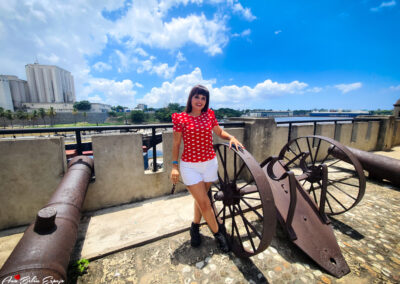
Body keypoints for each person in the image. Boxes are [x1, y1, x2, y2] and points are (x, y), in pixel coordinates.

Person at [170, 85, 244, 253]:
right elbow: (176, 144)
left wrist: (231, 137)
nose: (200, 101)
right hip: (190, 166)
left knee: (201, 200)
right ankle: (219, 235)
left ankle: (195, 226)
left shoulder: (209, 115)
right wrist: (174, 167)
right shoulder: (180, 118)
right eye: (197, 97)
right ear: (191, 98)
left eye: (203, 98)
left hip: (209, 164)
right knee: (205, 203)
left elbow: (219, 132)